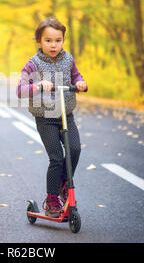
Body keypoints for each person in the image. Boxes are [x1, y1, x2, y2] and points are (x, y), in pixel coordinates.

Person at [16, 17, 88, 218]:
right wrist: (38, 86)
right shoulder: (33, 64)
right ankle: (52, 198)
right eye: (48, 40)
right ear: (39, 41)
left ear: (63, 40)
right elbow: (20, 90)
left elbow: (76, 76)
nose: (53, 45)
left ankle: (65, 183)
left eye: (58, 40)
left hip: (66, 113)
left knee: (74, 148)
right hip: (45, 116)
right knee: (56, 157)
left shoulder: (68, 59)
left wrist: (81, 83)